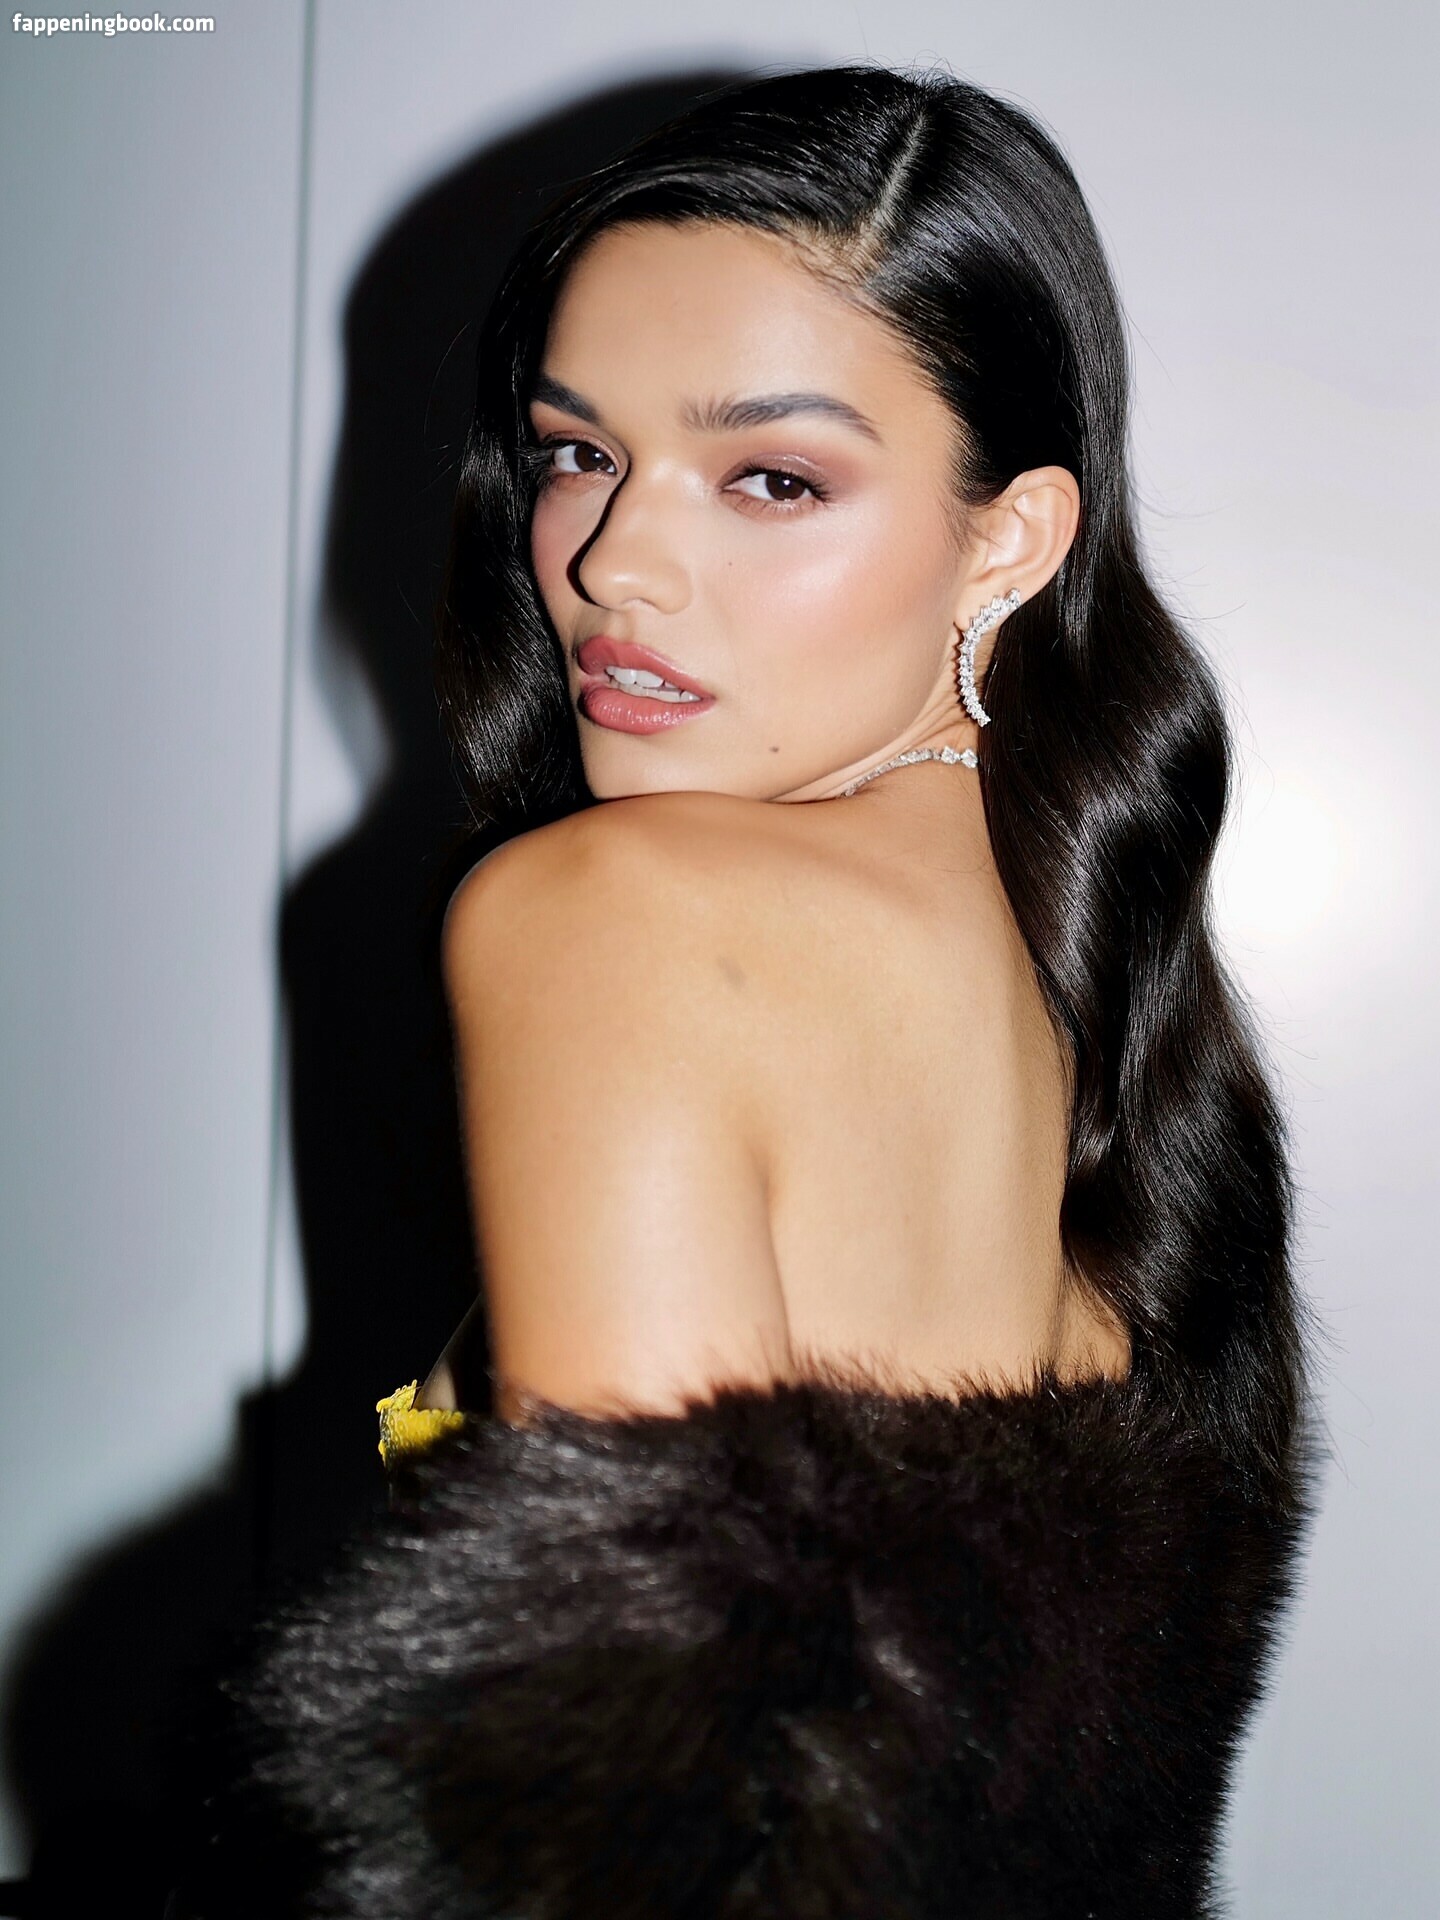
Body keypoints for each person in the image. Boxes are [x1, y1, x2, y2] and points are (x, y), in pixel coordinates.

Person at [218, 64, 1316, 1919]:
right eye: (576, 452)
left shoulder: (617, 916)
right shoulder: (1094, 1000)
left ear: (1007, 539)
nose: (612, 562)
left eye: (773, 479)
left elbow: (622, 1839)